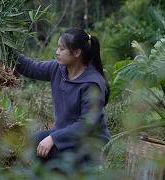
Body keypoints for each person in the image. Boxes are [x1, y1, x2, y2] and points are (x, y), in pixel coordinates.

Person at [14, 28, 111, 175]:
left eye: (62, 48)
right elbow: (30, 67)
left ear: (77, 53)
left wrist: (54, 138)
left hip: (88, 147)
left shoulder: (93, 85)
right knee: (35, 141)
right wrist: (5, 47)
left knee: (48, 151)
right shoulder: (58, 69)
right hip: (65, 138)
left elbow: (85, 126)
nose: (57, 52)